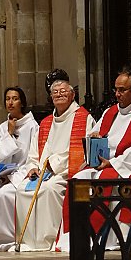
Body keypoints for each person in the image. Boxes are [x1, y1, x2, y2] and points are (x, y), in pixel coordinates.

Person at [56, 68, 131, 252]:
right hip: (102, 164)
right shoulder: (110, 112)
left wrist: (113, 163)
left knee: (103, 181)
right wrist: (94, 138)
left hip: (123, 167)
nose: (117, 94)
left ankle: (101, 238)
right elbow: (93, 134)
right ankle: (74, 237)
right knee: (77, 181)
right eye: (116, 90)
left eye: (122, 90)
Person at [15, 80, 95, 251]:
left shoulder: (83, 118)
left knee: (49, 189)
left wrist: (54, 164)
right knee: (22, 189)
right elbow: (34, 151)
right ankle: (29, 242)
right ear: (51, 97)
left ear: (73, 95)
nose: (59, 94)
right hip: (42, 172)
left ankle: (49, 239)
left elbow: (83, 150)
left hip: (66, 172)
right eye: (55, 92)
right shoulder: (45, 122)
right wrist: (33, 167)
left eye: (64, 91)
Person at [0, 87, 39, 252]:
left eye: (15, 98)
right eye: (7, 98)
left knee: (3, 195)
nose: (10, 102)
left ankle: (8, 239)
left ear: (22, 102)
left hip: (22, 172)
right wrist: (9, 134)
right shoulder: (4, 126)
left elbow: (33, 155)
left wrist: (11, 136)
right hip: (4, 171)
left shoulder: (32, 126)